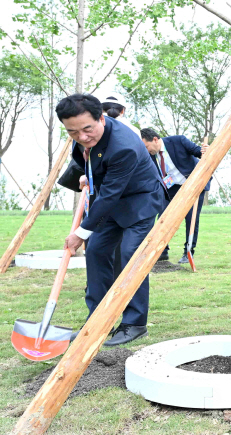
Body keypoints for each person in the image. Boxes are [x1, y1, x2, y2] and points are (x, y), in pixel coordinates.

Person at [58, 94, 166, 346]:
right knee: (96, 251)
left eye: (87, 129)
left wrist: (81, 232)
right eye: (73, 132)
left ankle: (134, 324)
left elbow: (109, 194)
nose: (82, 137)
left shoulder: (123, 145)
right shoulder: (81, 136)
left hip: (140, 201)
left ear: (101, 118)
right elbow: (88, 162)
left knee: (130, 256)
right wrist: (86, 174)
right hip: (110, 201)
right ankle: (97, 322)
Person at [140, 128, 210, 263]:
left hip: (193, 184)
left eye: (146, 146)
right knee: (162, 216)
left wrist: (206, 150)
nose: (146, 150)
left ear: (155, 139)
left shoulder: (178, 141)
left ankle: (188, 251)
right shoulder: (149, 155)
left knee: (191, 220)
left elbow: (199, 153)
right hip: (171, 187)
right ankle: (162, 251)